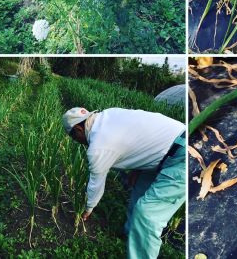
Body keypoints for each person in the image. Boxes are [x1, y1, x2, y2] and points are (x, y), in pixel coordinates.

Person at [62, 106, 185, 259]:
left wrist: (87, 209)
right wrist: (138, 168)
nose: (79, 143)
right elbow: (139, 135)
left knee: (147, 213)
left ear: (79, 129)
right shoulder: (108, 115)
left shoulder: (98, 147)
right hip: (172, 146)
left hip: (184, 157)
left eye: (75, 138)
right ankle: (130, 235)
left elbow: (96, 184)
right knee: (139, 192)